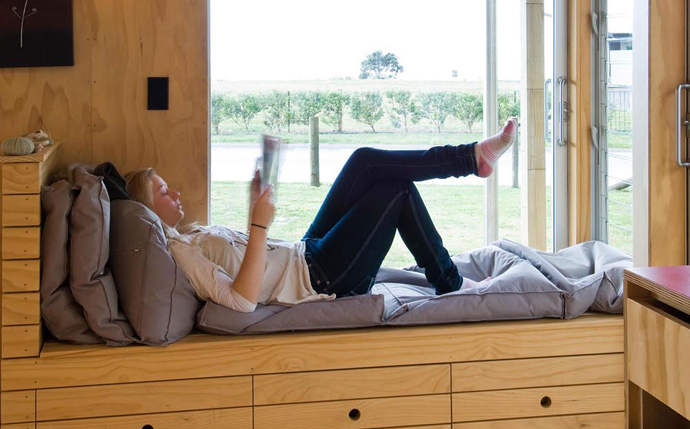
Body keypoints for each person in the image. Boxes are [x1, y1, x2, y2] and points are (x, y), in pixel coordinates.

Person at [125, 119, 517, 313]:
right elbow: (242, 300)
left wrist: (253, 205)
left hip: (305, 253)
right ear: (147, 207)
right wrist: (258, 224)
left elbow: (247, 262)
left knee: (364, 161)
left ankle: (471, 158)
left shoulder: (189, 236)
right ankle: (450, 282)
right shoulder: (180, 253)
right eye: (163, 191)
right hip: (319, 278)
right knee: (396, 192)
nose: (176, 193)